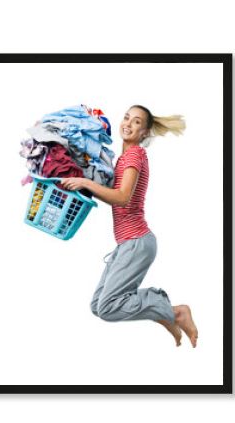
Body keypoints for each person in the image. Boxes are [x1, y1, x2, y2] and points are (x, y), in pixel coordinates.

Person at [61, 105, 198, 348]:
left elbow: (123, 197)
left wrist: (84, 182)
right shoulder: (123, 158)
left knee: (107, 307)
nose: (128, 124)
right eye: (126, 117)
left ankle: (175, 312)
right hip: (127, 243)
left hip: (137, 242)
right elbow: (115, 196)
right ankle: (164, 313)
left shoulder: (135, 155)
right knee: (97, 305)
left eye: (136, 122)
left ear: (144, 132)